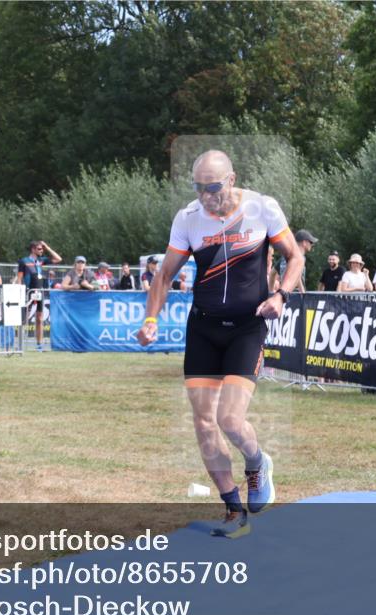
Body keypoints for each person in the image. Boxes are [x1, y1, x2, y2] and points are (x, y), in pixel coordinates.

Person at [137, 149, 304, 538]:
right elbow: (164, 275)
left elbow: (294, 257)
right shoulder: (188, 218)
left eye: (212, 188)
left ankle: (257, 462)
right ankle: (233, 509)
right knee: (203, 421)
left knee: (229, 419)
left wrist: (281, 296)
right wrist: (150, 319)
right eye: (197, 188)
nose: (204, 196)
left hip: (248, 327)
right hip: (204, 328)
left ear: (231, 179)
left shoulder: (262, 208)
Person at [17, 239, 62, 350]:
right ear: (33, 249)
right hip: (28, 291)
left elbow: (58, 259)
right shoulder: (24, 261)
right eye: (39, 249)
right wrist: (20, 291)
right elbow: (19, 278)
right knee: (24, 318)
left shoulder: (41, 260)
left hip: (39, 291)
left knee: (40, 318)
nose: (42, 250)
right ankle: (20, 344)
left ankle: (39, 345)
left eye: (42, 249)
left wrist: (47, 247)